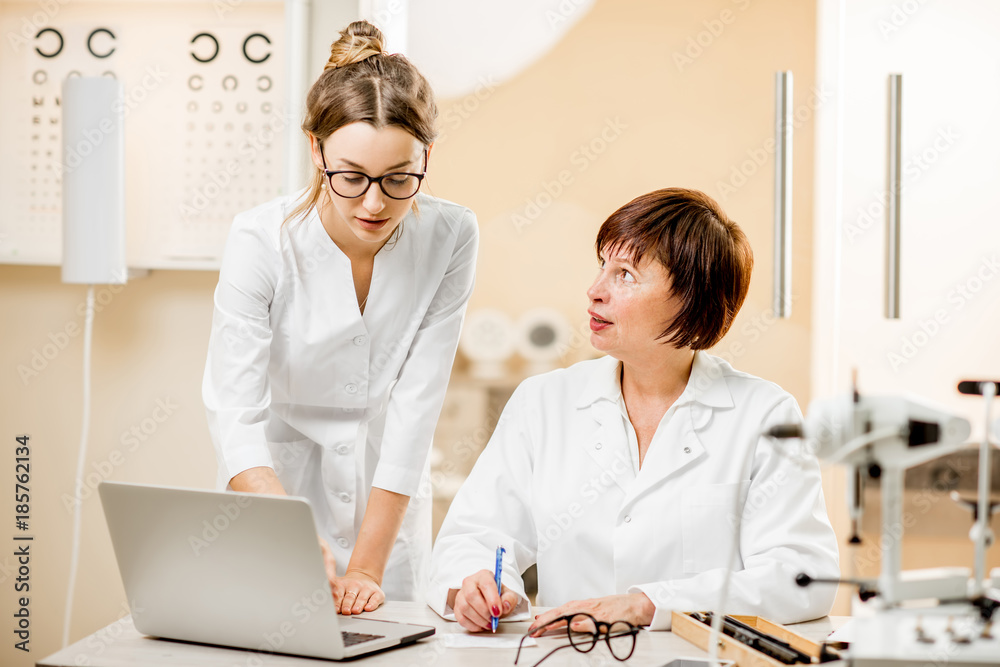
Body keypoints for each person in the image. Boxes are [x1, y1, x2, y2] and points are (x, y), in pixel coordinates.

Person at [427, 188, 839, 633]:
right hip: (567, 657)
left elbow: (801, 579)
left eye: (624, 275)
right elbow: (475, 536)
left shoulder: (764, 414)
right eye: (602, 266)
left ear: (690, 296)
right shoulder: (543, 402)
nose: (595, 290)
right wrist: (478, 583)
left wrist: (650, 604)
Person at [203, 20, 478, 615]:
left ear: (426, 156)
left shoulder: (451, 234)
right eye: (350, 178)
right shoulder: (261, 240)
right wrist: (289, 534)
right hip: (274, 486)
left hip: (387, 497)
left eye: (400, 178)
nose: (374, 203)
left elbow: (417, 405)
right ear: (315, 149)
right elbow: (235, 412)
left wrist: (368, 565)